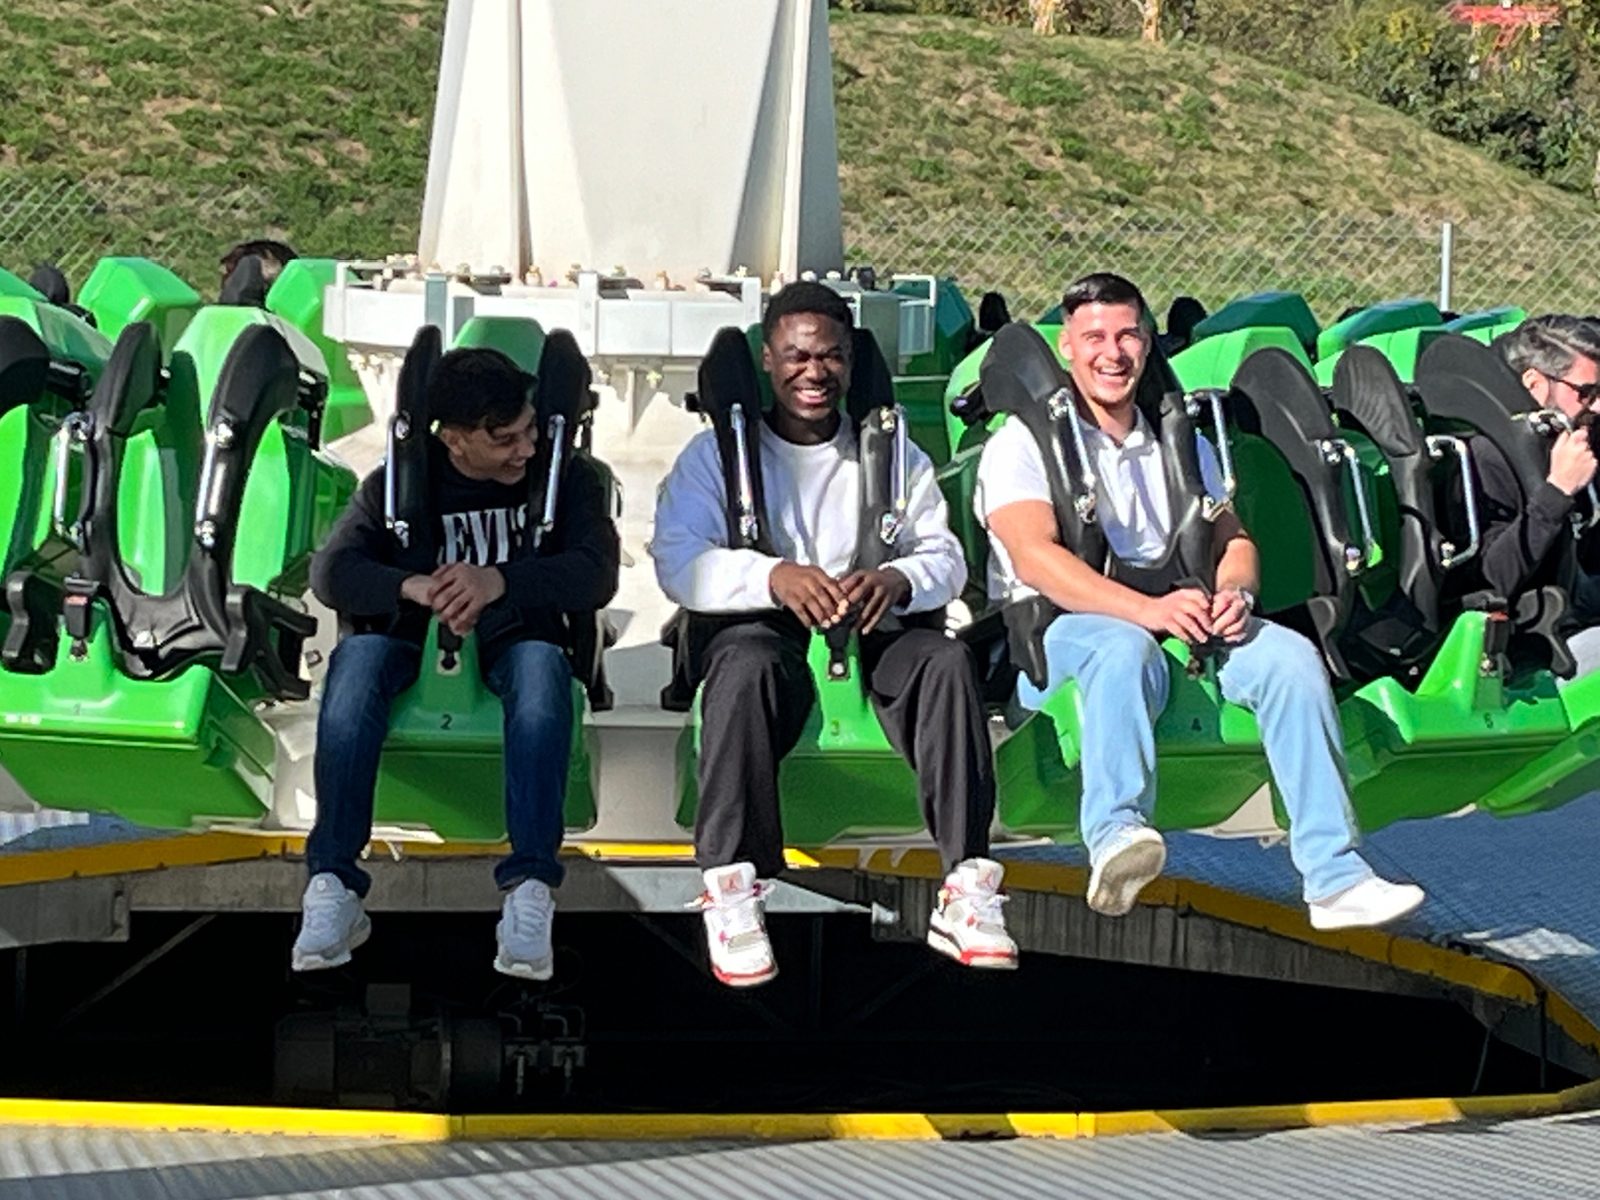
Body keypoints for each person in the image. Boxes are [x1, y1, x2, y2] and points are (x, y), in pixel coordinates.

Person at [974, 272, 1426, 931]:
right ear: (1068, 347)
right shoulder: (1021, 444)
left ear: (1149, 343)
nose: (1113, 352)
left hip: (1182, 621)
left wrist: (1235, 594)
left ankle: (1333, 876)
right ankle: (1115, 834)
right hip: (1062, 636)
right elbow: (1035, 558)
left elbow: (1231, 538)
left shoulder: (1183, 443)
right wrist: (1148, 612)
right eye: (1095, 337)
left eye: (1128, 335)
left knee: (1289, 658)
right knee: (1123, 648)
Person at [651, 282, 1017, 987]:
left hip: (872, 624)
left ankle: (968, 883)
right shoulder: (713, 458)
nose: (813, 373)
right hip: (762, 626)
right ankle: (732, 885)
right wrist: (773, 578)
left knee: (944, 661)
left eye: (830, 357)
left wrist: (898, 581)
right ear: (768, 359)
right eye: (796, 356)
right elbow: (679, 564)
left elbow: (943, 555)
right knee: (747, 666)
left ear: (850, 363)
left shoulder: (891, 453)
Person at [294, 347, 619, 978]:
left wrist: (498, 580)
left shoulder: (567, 478)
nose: (525, 449)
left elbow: (594, 572)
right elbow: (334, 571)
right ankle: (332, 881)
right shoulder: (399, 485)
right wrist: (411, 586)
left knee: (540, 675)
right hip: (415, 635)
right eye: (505, 439)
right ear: (454, 440)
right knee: (355, 663)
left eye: (529, 430)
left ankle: (530, 889)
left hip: (515, 631)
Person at [1466, 315, 1600, 677]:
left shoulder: (1586, 439)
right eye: (1586, 392)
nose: (1598, 406)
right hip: (1541, 635)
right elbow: (1491, 578)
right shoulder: (1486, 457)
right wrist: (1557, 491)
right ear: (1535, 384)